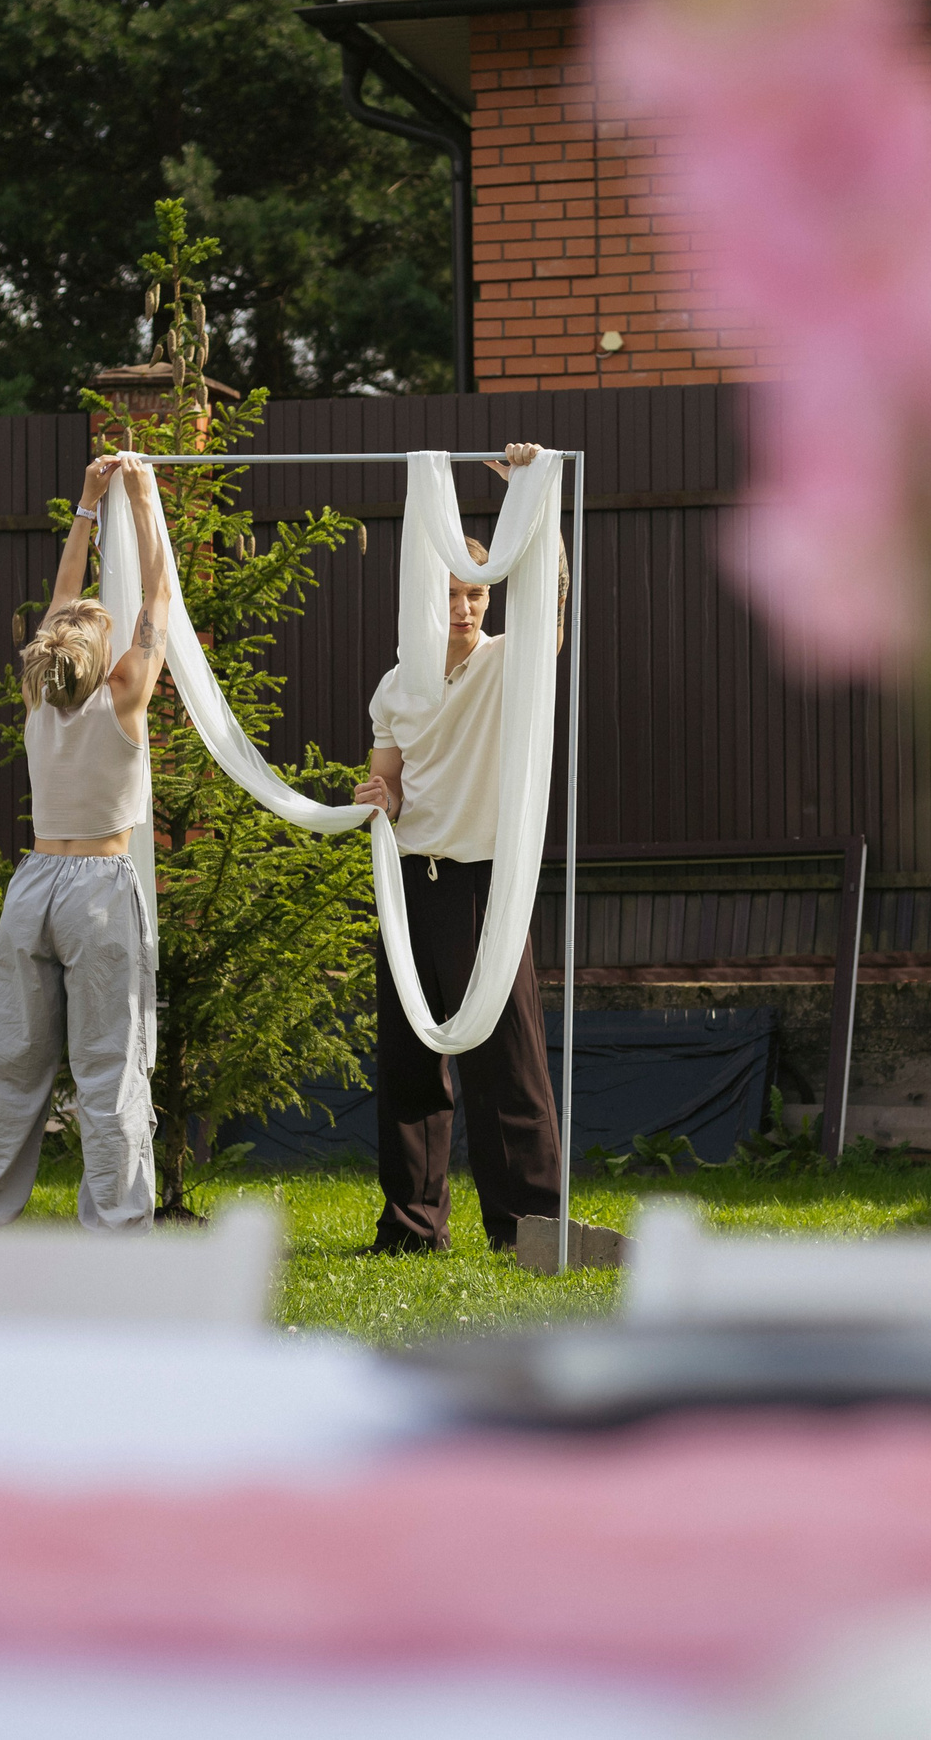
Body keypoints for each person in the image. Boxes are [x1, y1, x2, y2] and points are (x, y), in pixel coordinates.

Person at [353, 442, 566, 1255]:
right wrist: (380, 797)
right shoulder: (396, 687)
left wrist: (531, 499)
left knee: (507, 1065)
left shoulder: (512, 665)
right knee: (409, 1065)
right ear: (424, 602)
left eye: (475, 593)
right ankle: (411, 1228)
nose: (468, 608)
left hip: (484, 885)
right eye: (450, 594)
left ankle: (529, 1227)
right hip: (412, 882)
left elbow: (548, 598)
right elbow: (390, 783)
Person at [0, 450, 170, 1233]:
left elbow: (61, 605)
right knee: (109, 1071)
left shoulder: (40, 695)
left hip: (34, 885)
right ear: (102, 652)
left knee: (13, 1066)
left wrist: (88, 498)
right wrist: (144, 503)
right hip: (100, 892)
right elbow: (159, 597)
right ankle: (116, 1231)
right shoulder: (124, 697)